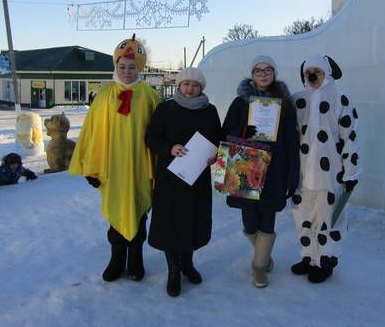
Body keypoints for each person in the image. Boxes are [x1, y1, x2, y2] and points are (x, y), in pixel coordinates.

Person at [69, 34, 160, 283]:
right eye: (122, 67)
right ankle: (117, 259)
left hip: (140, 168)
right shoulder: (105, 93)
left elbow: (161, 131)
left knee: (139, 214)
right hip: (112, 168)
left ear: (140, 68)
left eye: (132, 67)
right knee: (115, 215)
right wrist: (91, 167)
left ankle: (136, 260)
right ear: (115, 66)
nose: (127, 72)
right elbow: (92, 132)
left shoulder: (149, 95)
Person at [222, 55, 300, 288]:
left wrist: (292, 173)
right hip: (246, 166)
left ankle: (259, 267)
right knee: (249, 223)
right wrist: (243, 131)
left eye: (268, 70)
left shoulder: (284, 103)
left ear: (274, 73)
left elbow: (291, 140)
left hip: (276, 169)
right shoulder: (240, 102)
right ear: (252, 74)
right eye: (258, 70)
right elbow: (225, 132)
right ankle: (264, 255)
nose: (263, 73)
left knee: (268, 219)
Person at [145, 67, 221, 297]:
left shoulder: (210, 110)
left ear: (201, 88)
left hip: (197, 178)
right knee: (170, 223)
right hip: (170, 178)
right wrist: (169, 148)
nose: (190, 89)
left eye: (195, 85)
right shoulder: (165, 109)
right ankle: (173, 270)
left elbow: (217, 138)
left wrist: (215, 155)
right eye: (186, 84)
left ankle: (188, 264)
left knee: (193, 221)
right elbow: (151, 137)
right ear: (178, 86)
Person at [290, 54, 360, 283]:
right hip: (301, 175)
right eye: (307, 71)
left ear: (326, 74)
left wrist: (351, 172)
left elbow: (350, 136)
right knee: (304, 218)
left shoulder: (340, 99)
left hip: (330, 175)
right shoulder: (297, 99)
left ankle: (326, 260)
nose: (311, 75)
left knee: (329, 220)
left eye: (317, 71)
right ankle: (309, 257)